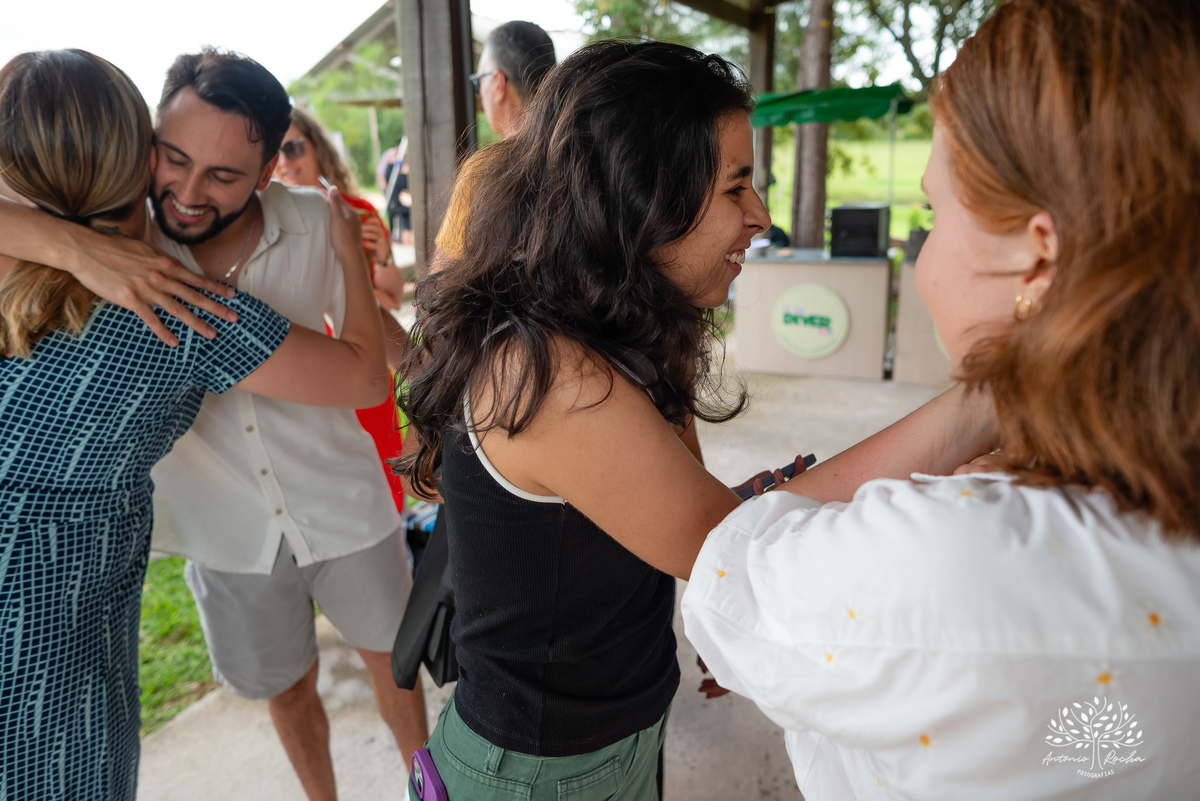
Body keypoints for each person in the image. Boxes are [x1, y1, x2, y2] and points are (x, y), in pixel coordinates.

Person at [397, 40, 993, 800]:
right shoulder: (544, 371)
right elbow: (726, 548)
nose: (762, 217)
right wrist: (996, 399)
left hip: (620, 733)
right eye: (736, 187)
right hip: (536, 771)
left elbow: (693, 520)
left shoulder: (628, 329)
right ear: (639, 194)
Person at [680, 0, 1200, 798]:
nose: (759, 217)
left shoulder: (954, 556)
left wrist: (995, 388)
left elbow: (730, 588)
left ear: (1037, 257)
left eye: (933, 214)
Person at [0, 49, 427, 801]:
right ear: (140, 148)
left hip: (341, 505)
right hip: (190, 558)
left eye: (224, 174)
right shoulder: (154, 286)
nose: (189, 191)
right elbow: (359, 371)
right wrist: (74, 245)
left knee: (394, 668)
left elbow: (386, 355)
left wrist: (429, 388)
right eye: (172, 158)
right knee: (280, 690)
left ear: (270, 169)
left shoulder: (306, 224)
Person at [273, 106, 411, 512]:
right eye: (275, 151)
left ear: (316, 149)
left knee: (382, 471)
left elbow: (388, 297)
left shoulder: (358, 211)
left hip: (364, 353)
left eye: (294, 147)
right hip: (307, 364)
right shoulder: (270, 219)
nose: (285, 160)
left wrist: (382, 254)